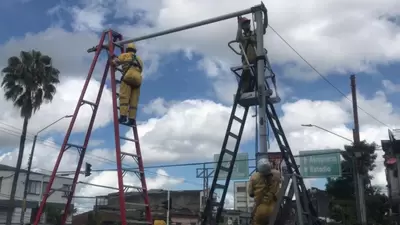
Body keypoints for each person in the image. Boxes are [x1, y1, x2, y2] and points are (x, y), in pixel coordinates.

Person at [112, 42, 144, 126]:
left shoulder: (125, 55)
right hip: (138, 80)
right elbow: (141, 70)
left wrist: (112, 60)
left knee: (124, 97)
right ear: (135, 51)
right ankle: (132, 120)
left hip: (128, 77)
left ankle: (123, 116)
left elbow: (115, 62)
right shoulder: (140, 60)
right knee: (134, 101)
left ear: (127, 50)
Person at [248, 158, 282, 225]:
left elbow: (250, 193)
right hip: (275, 208)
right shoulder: (277, 174)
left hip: (260, 208)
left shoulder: (254, 177)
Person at [236, 16, 257, 93]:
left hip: (256, 60)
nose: (247, 25)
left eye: (248, 23)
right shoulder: (243, 37)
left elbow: (264, 27)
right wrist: (239, 25)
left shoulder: (255, 34)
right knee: (246, 77)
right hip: (247, 61)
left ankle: (258, 89)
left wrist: (265, 12)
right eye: (245, 24)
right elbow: (238, 38)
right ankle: (245, 91)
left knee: (257, 77)